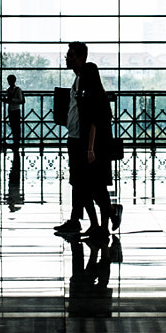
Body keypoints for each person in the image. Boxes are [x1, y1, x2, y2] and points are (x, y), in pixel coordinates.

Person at [57, 41, 115, 238]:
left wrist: (90, 149)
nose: (67, 58)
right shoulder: (77, 81)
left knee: (96, 186)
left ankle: (103, 225)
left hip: (86, 143)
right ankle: (95, 224)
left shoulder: (88, 83)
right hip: (75, 138)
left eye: (71, 55)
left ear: (80, 58)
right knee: (81, 185)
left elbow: (93, 120)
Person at [4, 73, 25, 148]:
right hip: (13, 109)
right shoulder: (10, 90)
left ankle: (16, 142)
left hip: (15, 110)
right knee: (14, 126)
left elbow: (21, 100)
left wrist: (10, 100)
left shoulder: (17, 90)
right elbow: (20, 100)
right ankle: (16, 142)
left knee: (15, 127)